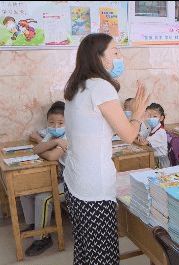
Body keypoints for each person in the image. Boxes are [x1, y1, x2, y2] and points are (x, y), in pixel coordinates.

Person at [63, 33, 149, 264]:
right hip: (93, 188)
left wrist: (131, 114)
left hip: (74, 181)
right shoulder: (100, 87)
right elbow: (130, 135)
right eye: (115, 52)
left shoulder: (77, 86)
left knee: (85, 252)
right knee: (103, 257)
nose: (119, 56)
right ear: (99, 57)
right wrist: (138, 114)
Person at [20, 101, 68, 256]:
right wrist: (53, 142)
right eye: (51, 123)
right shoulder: (53, 135)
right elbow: (36, 149)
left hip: (73, 184)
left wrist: (46, 147)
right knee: (26, 189)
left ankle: (42, 238)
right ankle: (35, 225)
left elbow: (52, 155)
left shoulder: (69, 136)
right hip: (60, 178)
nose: (55, 127)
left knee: (44, 198)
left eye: (60, 123)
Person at [136, 103, 170, 168]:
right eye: (149, 116)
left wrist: (132, 139)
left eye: (155, 116)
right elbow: (139, 135)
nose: (151, 118)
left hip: (160, 162)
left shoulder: (160, 132)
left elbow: (143, 143)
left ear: (161, 118)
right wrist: (138, 136)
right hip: (153, 158)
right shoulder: (149, 128)